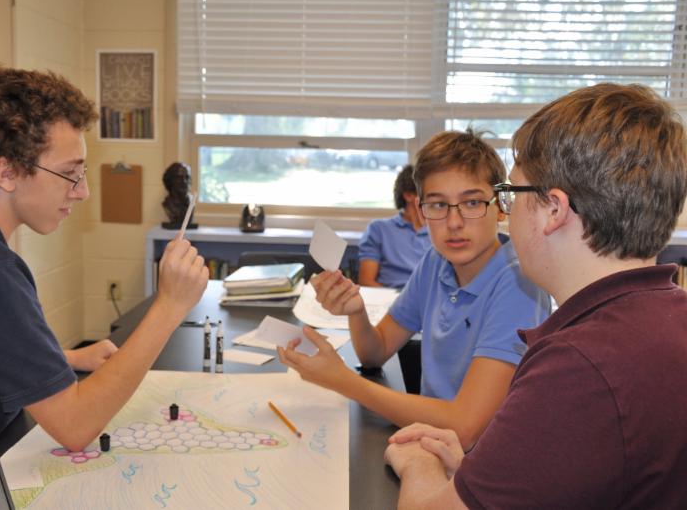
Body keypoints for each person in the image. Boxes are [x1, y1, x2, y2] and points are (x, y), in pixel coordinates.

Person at [384, 83, 687, 508]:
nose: (505, 213)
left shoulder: (578, 366)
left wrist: (419, 462)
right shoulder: (667, 317)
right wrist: (479, 474)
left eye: (510, 194)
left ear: (554, 210)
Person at [0, 62, 209, 451]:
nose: (82, 191)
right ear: (6, 172)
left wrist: (64, 359)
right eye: (70, 173)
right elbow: (75, 425)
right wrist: (170, 306)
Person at [279, 128, 550, 450]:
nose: (454, 222)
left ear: (501, 207)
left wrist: (343, 382)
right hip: (433, 442)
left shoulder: (519, 283)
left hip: (485, 458)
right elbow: (375, 351)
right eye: (438, 205)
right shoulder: (436, 262)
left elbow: (466, 428)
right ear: (421, 212)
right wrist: (356, 310)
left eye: (472, 202)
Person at [358, 164, 431, 288]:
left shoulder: (439, 232)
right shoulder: (379, 229)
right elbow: (366, 281)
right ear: (408, 195)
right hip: (391, 296)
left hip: (430, 297)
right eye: (428, 193)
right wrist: (399, 299)